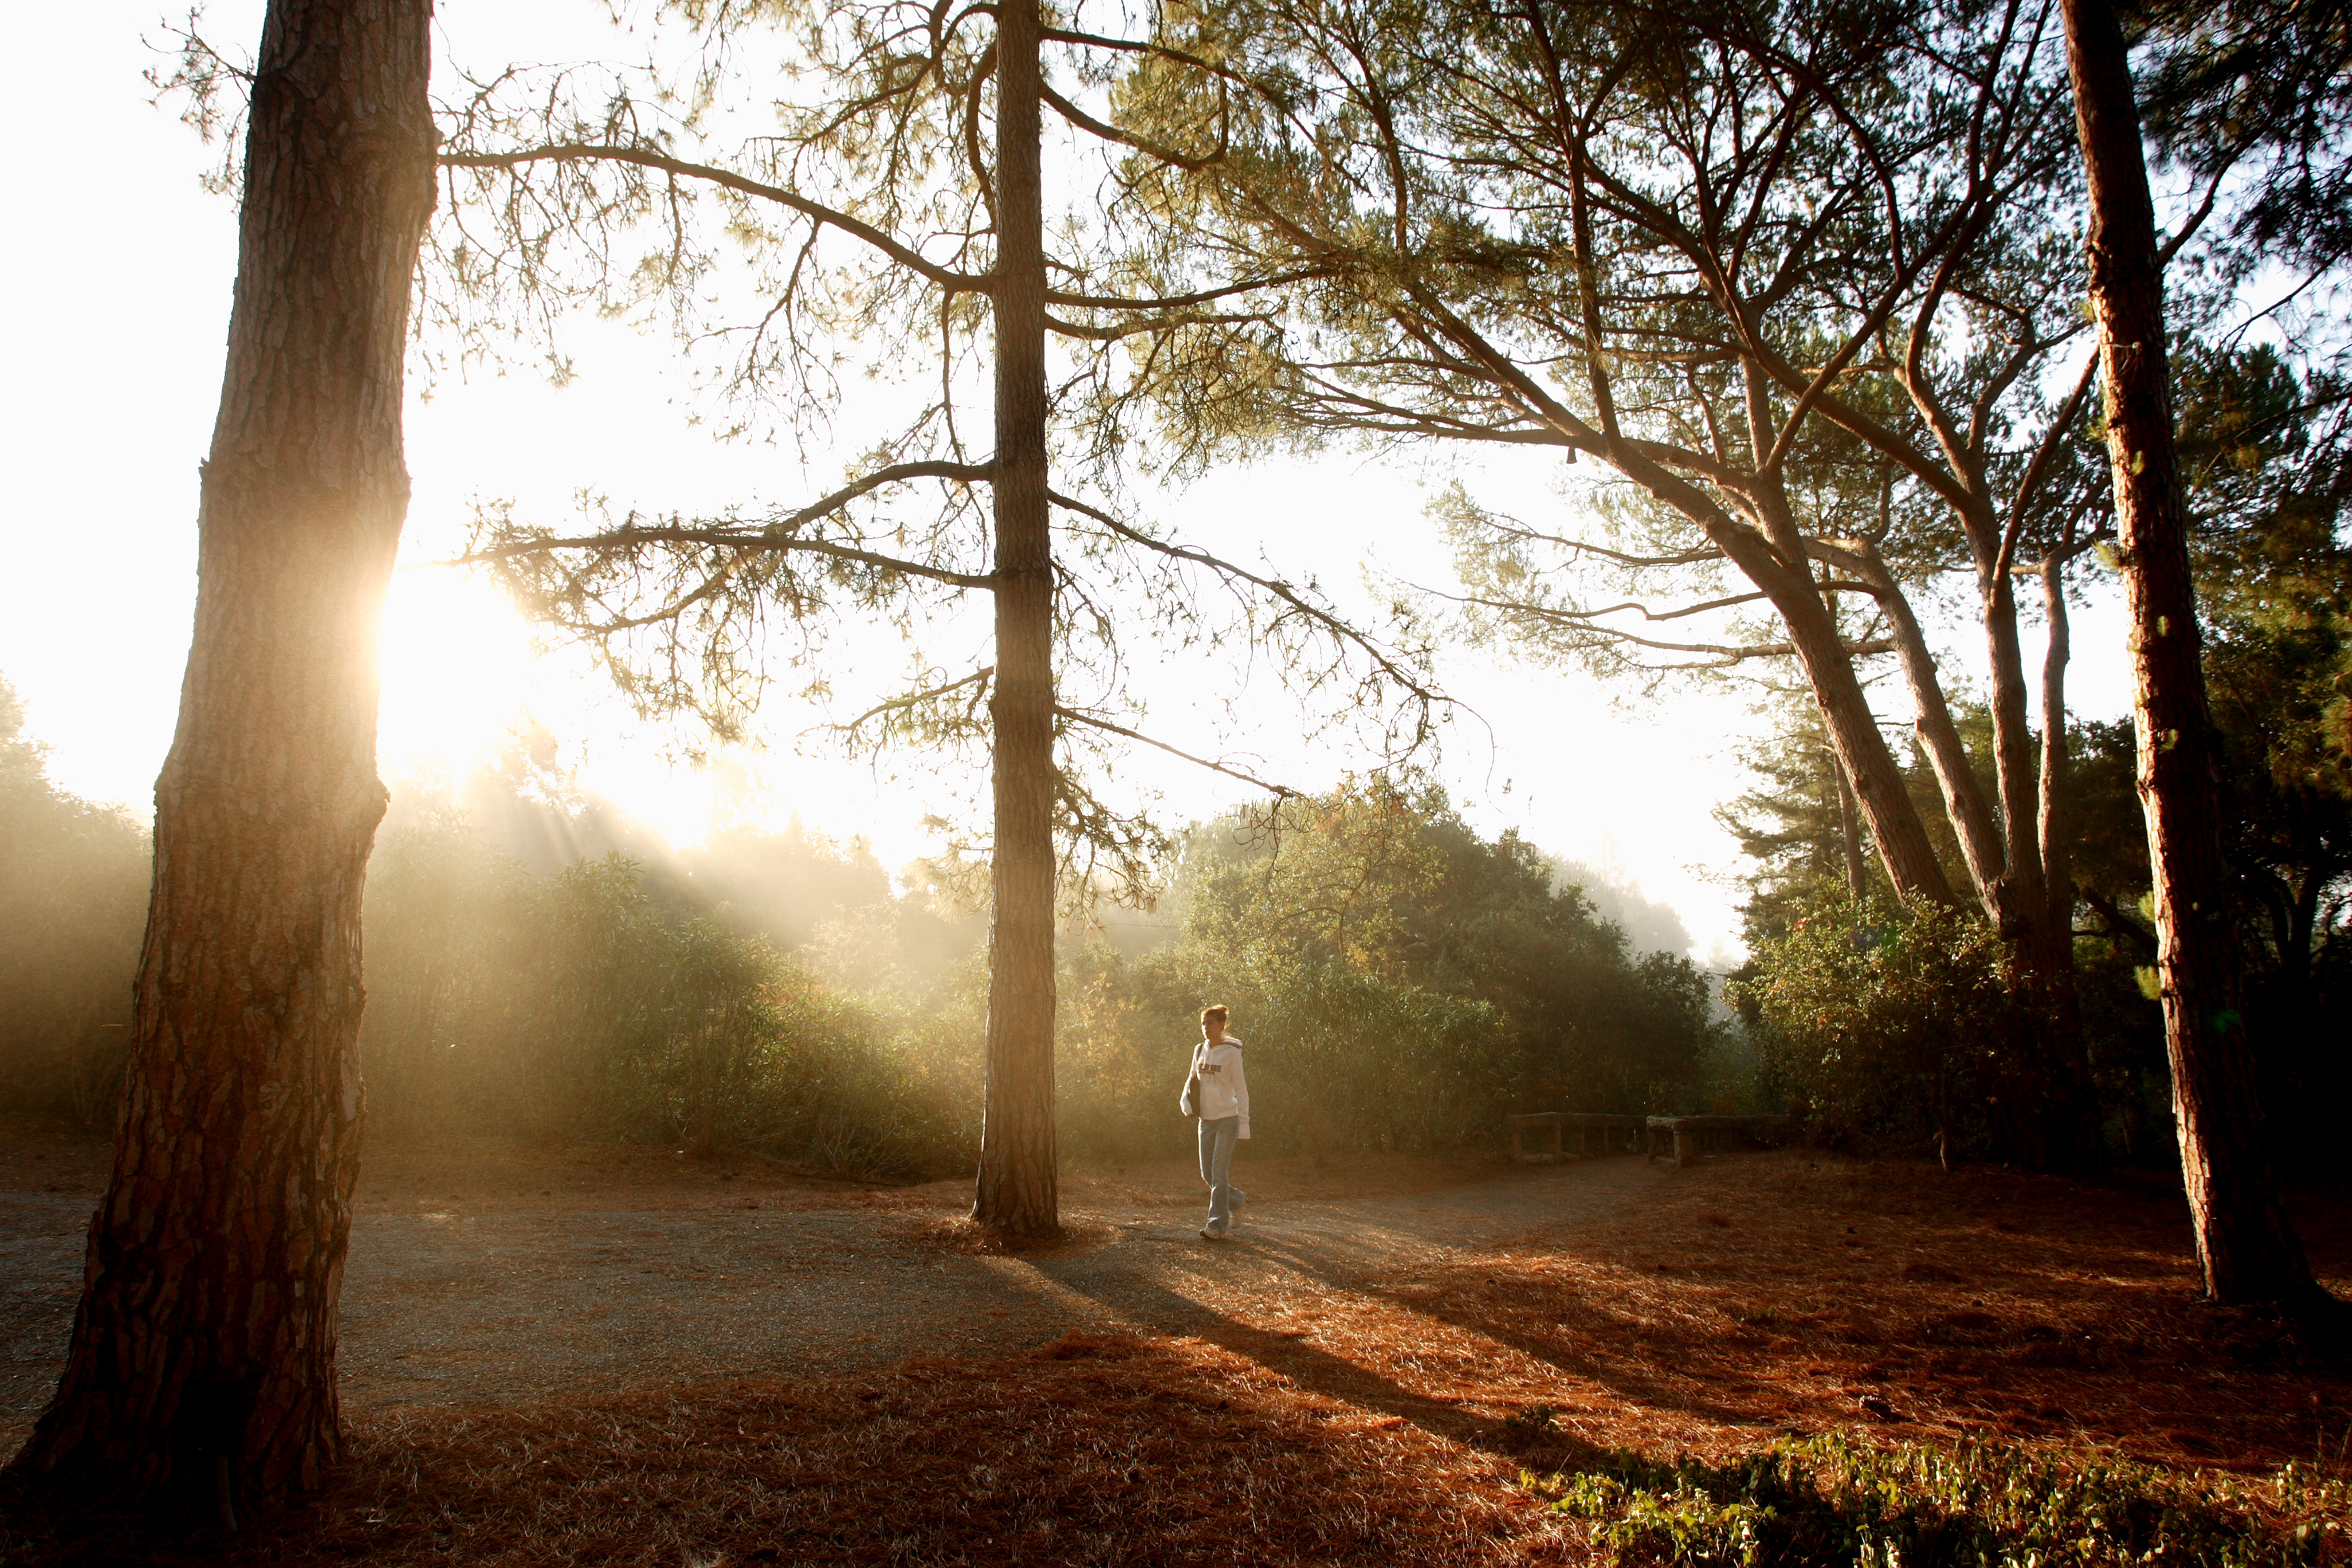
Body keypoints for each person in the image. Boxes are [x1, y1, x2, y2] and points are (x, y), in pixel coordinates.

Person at [1184, 1004, 1249, 1239]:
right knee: (1208, 1175)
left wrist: (1245, 1124)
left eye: (1210, 1023)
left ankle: (1216, 1225)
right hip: (1206, 1120)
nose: (1206, 1028)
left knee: (1219, 1172)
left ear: (1222, 1025)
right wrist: (1186, 1103)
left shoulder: (1232, 1053)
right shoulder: (1199, 1049)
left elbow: (1241, 1090)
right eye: (1203, 1024)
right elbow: (1192, 1079)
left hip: (1227, 1120)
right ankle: (1236, 1200)